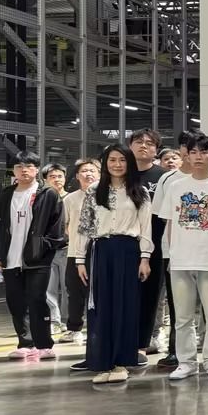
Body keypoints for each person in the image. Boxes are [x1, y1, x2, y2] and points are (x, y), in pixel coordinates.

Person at [157, 133, 208, 380]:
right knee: (182, 316)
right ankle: (186, 362)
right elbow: (170, 223)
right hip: (181, 259)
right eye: (193, 152)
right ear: (187, 155)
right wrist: (172, 254)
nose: (198, 157)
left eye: (204, 152)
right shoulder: (176, 186)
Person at [74, 144, 154, 384]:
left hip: (128, 251)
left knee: (125, 306)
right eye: (112, 160)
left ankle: (121, 363)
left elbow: (146, 227)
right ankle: (103, 363)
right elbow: (84, 227)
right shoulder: (94, 191)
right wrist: (80, 259)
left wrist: (145, 258)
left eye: (122, 160)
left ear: (129, 163)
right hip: (100, 251)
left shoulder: (139, 191)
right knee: (100, 308)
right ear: (105, 163)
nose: (117, 164)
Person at [0, 152, 66, 360]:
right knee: (16, 302)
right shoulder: (6, 195)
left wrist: (45, 248)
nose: (24, 170)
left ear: (37, 169)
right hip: (10, 258)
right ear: (13, 171)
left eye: (29, 166)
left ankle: (44, 344)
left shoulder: (48, 194)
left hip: (37, 258)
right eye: (19, 166)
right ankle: (25, 343)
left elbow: (57, 225)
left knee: (37, 299)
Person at [127, 129, 165, 363]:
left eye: (150, 143)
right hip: (125, 243)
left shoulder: (164, 177)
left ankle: (142, 343)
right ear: (130, 146)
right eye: (139, 142)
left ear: (156, 150)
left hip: (156, 244)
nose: (144, 146)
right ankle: (122, 341)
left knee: (150, 296)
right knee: (124, 295)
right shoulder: (122, 173)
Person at [59, 158, 99, 344]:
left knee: (97, 292)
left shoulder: (106, 196)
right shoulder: (69, 199)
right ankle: (74, 329)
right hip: (75, 253)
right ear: (76, 176)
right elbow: (64, 225)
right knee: (74, 292)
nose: (88, 174)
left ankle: (97, 328)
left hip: (99, 252)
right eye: (84, 171)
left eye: (92, 170)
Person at [41, 163, 70, 333]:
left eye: (60, 176)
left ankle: (67, 320)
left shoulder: (71, 198)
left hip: (67, 248)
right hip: (48, 250)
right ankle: (54, 320)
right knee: (48, 288)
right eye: (52, 177)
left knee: (68, 287)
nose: (57, 179)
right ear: (45, 180)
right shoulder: (42, 199)